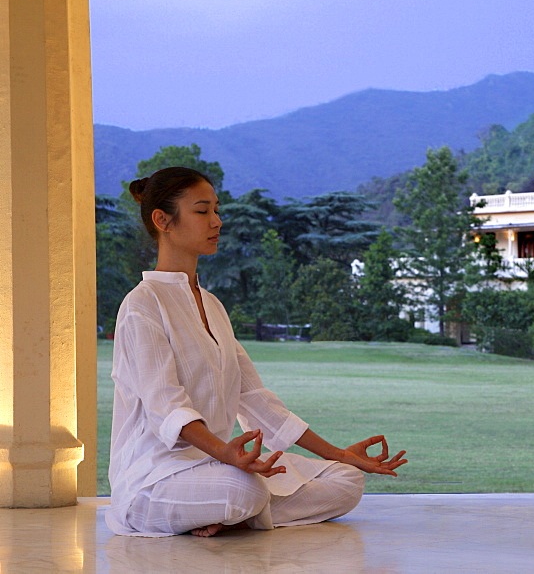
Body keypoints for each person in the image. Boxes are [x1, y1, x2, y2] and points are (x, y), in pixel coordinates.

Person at [107, 167, 407, 537]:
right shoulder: (143, 305)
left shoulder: (213, 306)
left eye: (217, 210)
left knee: (346, 481)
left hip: (218, 468)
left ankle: (228, 514)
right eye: (202, 212)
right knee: (244, 489)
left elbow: (257, 400)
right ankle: (233, 509)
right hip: (156, 478)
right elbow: (166, 407)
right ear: (162, 220)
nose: (216, 221)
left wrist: (340, 454)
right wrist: (227, 455)